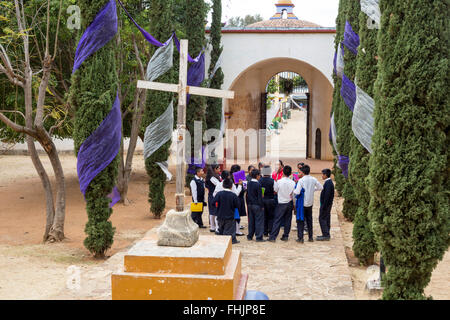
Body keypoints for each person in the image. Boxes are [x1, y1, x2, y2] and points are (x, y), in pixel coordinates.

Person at [294, 165, 323, 242]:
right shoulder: (313, 179)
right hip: (310, 203)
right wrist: (313, 189)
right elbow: (320, 187)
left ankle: (300, 238)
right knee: (309, 220)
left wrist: (293, 191)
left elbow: (297, 191)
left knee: (300, 220)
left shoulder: (301, 180)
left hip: (302, 203)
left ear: (303, 172)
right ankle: (310, 237)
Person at [269, 166, 296, 242]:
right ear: (291, 173)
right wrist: (294, 204)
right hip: (289, 202)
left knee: (277, 220)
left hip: (281, 202)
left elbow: (275, 190)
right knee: (288, 220)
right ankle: (285, 236)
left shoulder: (279, 181)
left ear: (283, 172)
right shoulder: (293, 182)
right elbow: (294, 195)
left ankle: (273, 237)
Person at [213, 178, 241, 244]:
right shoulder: (233, 195)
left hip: (220, 215)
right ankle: (230, 241)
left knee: (221, 228)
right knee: (230, 229)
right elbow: (238, 205)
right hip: (230, 215)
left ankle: (222, 240)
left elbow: (213, 202)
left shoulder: (219, 194)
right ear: (231, 186)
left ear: (222, 185)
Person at [246, 169, 266, 242]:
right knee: (259, 221)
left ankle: (250, 235)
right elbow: (260, 197)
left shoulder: (249, 183)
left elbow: (247, 194)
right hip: (257, 205)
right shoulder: (258, 184)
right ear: (257, 175)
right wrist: (262, 206)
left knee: (251, 221)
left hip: (250, 204)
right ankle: (259, 237)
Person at [316, 169, 335, 241]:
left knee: (322, 218)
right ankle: (326, 233)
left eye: (323, 174)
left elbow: (327, 196)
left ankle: (326, 234)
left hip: (326, 205)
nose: (322, 176)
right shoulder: (328, 182)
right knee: (326, 218)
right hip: (326, 205)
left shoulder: (328, 183)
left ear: (326, 175)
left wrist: (324, 206)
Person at [259, 165, 276, 237]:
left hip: (262, 200)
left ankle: (264, 231)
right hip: (270, 200)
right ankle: (271, 231)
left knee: (264, 216)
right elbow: (275, 191)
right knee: (271, 216)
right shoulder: (273, 181)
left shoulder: (259, 180)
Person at [230, 165, 246, 236]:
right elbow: (244, 188)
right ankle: (237, 230)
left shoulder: (230, 178)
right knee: (237, 215)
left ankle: (237, 228)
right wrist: (241, 184)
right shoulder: (233, 179)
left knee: (236, 214)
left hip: (237, 198)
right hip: (238, 198)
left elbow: (245, 187)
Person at [205, 164, 221, 233]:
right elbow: (218, 184)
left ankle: (212, 227)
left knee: (212, 212)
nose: (219, 170)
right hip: (213, 196)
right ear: (215, 169)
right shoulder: (212, 178)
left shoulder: (211, 177)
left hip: (211, 195)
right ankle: (216, 228)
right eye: (218, 169)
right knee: (214, 211)